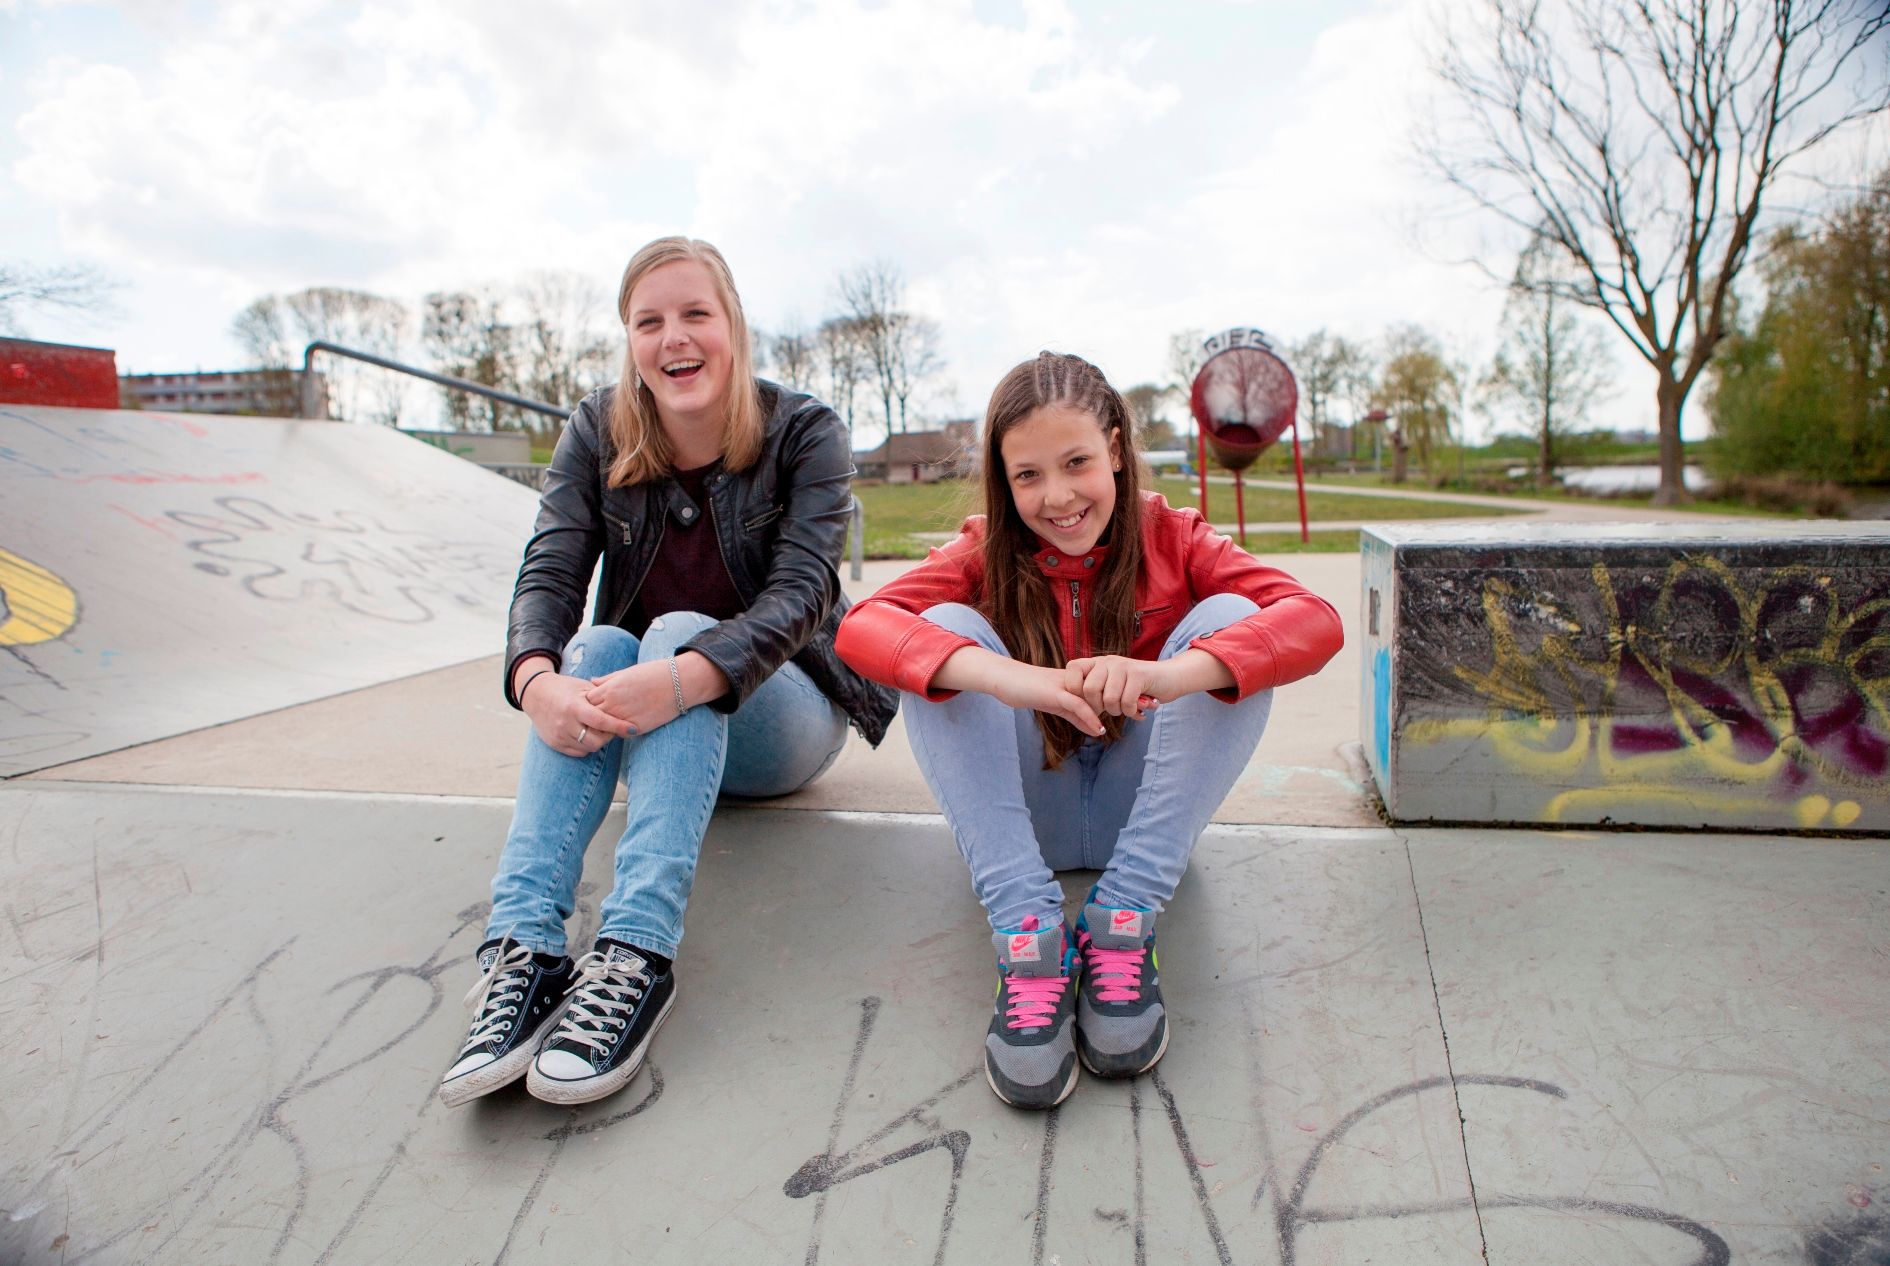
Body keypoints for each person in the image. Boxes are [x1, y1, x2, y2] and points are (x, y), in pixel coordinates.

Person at [439, 237, 896, 1108]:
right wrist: (537, 685)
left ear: (733, 327)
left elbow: (803, 592)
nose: (673, 338)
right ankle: (524, 952)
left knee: (683, 634)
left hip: (785, 715)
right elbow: (550, 570)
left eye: (696, 314)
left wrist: (687, 675)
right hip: (653, 716)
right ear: (630, 342)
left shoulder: (803, 431)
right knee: (599, 649)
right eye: (649, 321)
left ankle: (636, 957)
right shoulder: (597, 430)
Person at [834, 351, 1342, 1109]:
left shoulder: (1174, 537)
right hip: (1023, 829)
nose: (1058, 496)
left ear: (1114, 447)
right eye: (1029, 475)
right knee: (940, 631)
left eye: (1076, 462)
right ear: (1004, 484)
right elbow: (863, 627)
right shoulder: (983, 551)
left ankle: (1122, 922)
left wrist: (1170, 675)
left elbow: (1316, 621)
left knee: (1234, 625)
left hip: (1138, 826)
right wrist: (1006, 675)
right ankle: (1029, 939)